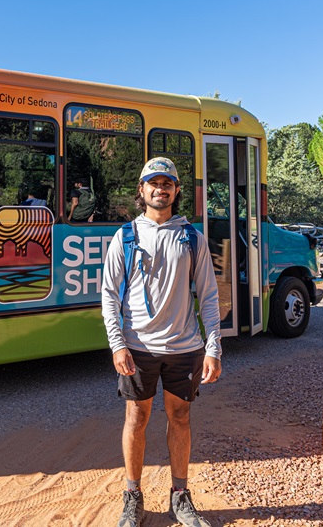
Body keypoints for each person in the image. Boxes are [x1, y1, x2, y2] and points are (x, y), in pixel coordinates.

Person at [101, 157, 222, 527]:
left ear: (177, 190)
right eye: (153, 183)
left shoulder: (191, 237)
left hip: (185, 347)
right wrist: (117, 343)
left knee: (180, 417)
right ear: (142, 190)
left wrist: (213, 346)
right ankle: (133, 497)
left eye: (167, 183)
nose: (160, 188)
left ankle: (180, 496)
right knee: (136, 418)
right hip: (137, 347)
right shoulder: (125, 236)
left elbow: (209, 295)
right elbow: (109, 295)